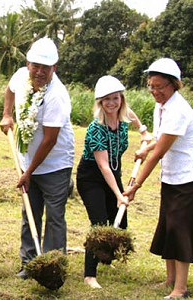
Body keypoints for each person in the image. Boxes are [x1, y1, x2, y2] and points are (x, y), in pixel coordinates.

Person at [124, 58, 193, 299]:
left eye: (160, 87)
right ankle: (170, 280)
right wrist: (146, 148)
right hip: (172, 176)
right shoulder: (161, 106)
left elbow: (159, 154)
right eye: (151, 86)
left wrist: (135, 185)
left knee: (179, 228)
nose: (155, 91)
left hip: (189, 178)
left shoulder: (178, 109)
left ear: (174, 85)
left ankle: (181, 289)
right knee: (168, 225)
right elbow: (159, 138)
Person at [0, 37, 75, 279]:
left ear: (55, 68)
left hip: (55, 164)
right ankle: (29, 263)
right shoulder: (21, 76)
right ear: (28, 63)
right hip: (27, 161)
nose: (39, 72)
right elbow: (9, 90)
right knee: (29, 213)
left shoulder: (57, 96)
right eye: (35, 66)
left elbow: (49, 140)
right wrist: (7, 115)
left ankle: (52, 266)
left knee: (54, 216)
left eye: (46, 67)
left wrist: (28, 172)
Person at [76, 75, 150, 289]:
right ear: (100, 102)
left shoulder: (123, 117)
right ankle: (89, 275)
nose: (111, 103)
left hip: (114, 172)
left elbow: (132, 116)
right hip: (91, 177)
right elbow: (103, 166)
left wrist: (144, 133)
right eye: (106, 99)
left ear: (121, 99)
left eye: (115, 98)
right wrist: (119, 195)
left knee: (121, 223)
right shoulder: (95, 128)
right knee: (100, 224)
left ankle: (105, 258)